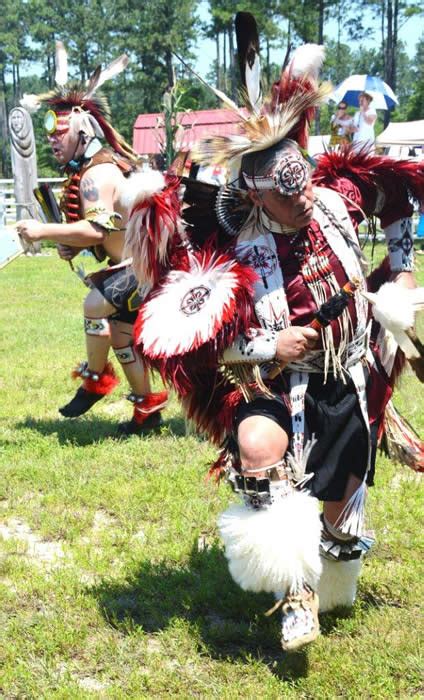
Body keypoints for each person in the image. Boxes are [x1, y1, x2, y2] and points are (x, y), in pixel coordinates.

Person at [126, 36, 423, 652]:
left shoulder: (336, 202)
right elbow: (208, 349)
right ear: (256, 194)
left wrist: (401, 273)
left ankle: (332, 564)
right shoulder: (231, 255)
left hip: (342, 374)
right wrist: (271, 346)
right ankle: (295, 592)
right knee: (258, 443)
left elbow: (400, 199)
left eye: (305, 186)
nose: (303, 201)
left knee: (341, 516)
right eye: (288, 196)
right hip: (267, 383)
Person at [16, 42, 167, 436]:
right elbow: (107, 229)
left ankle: (95, 380)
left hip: (140, 268)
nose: (52, 141)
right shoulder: (94, 170)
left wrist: (44, 232)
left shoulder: (97, 175)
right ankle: (147, 411)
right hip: (131, 265)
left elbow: (98, 230)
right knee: (120, 335)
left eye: (60, 133)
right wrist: (75, 243)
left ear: (82, 133)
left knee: (94, 303)